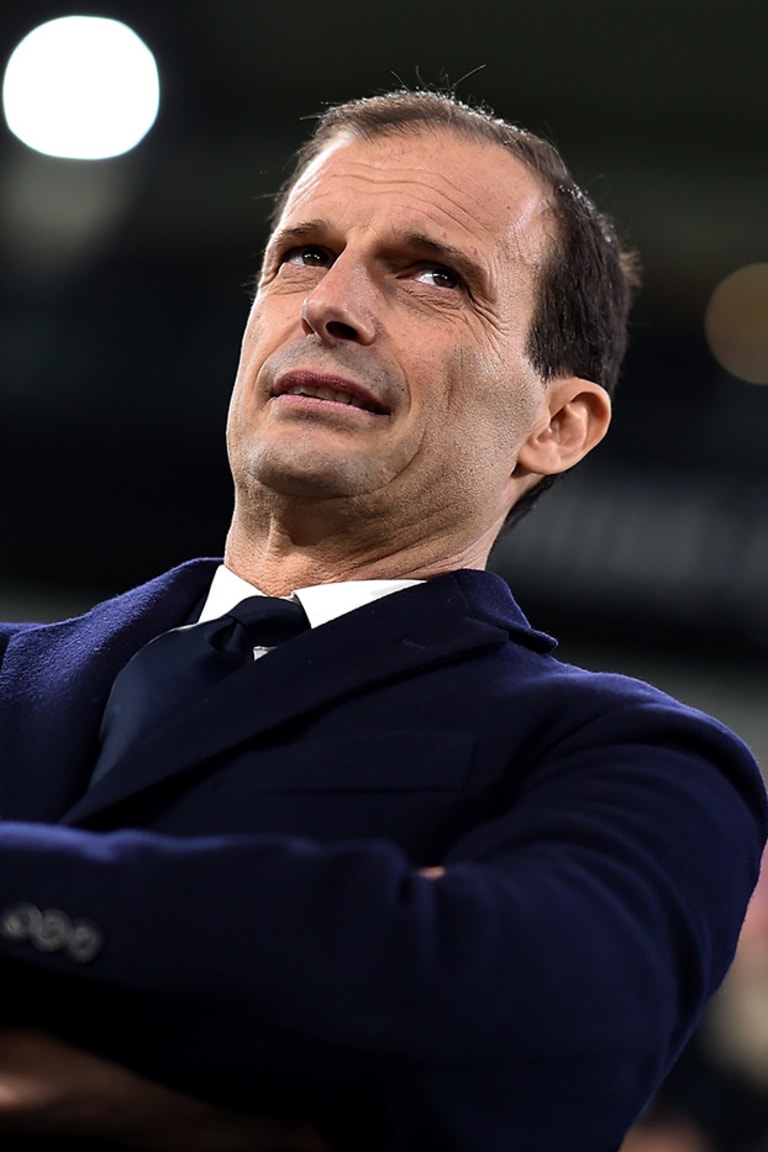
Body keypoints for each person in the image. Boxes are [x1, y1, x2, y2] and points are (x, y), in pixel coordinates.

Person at [0, 88, 765, 1152]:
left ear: (557, 423)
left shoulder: (634, 758)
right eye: (304, 255)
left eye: (432, 275)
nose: (332, 303)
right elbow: (406, 1000)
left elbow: (527, 1026)